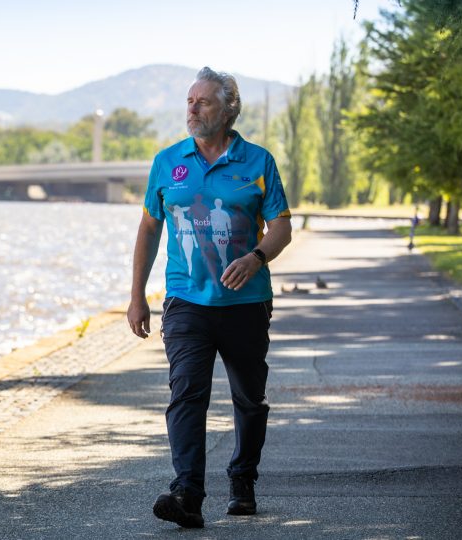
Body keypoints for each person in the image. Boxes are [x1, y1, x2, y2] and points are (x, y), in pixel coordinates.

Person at [127, 67, 292, 529]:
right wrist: (137, 295)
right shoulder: (167, 162)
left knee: (250, 399)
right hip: (185, 301)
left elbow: (281, 225)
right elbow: (148, 227)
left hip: (245, 303)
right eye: (189, 101)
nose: (192, 109)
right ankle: (188, 494)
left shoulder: (258, 162)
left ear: (229, 109)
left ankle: (243, 480)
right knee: (186, 394)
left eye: (203, 102)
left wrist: (257, 257)